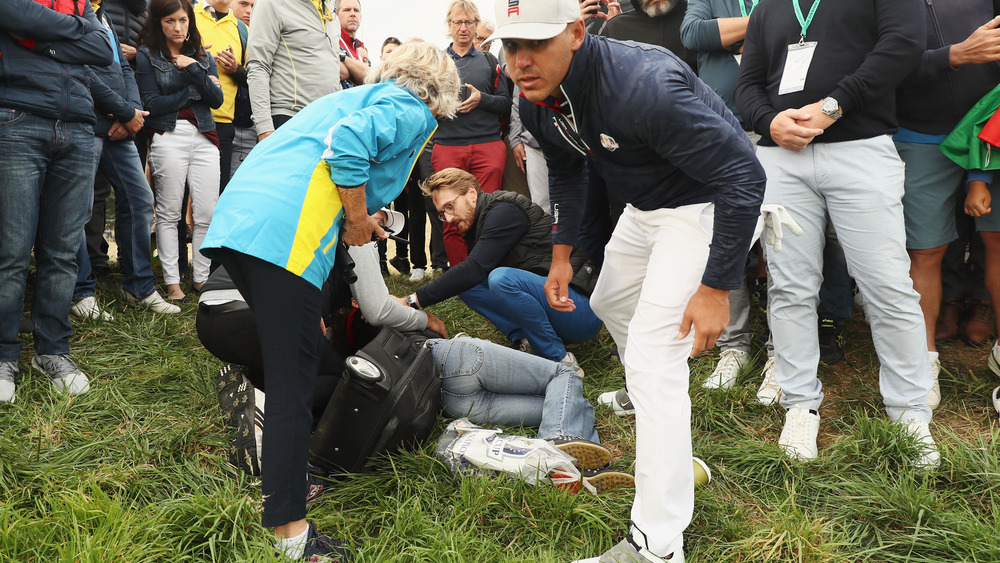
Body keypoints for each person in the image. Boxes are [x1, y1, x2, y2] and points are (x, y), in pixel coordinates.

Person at [483, 0, 766, 561]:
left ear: (576, 33)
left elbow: (744, 176)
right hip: (646, 207)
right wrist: (562, 253)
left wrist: (715, 288)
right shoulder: (535, 92)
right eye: (511, 47)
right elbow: (567, 168)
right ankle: (663, 426)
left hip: (708, 203)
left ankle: (657, 544)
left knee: (651, 357)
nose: (520, 61)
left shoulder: (644, 83)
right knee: (613, 304)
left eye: (534, 44)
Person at [199, 42, 460, 561]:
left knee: (288, 366)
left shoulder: (355, 96)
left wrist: (359, 222)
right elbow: (348, 147)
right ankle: (293, 538)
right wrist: (361, 220)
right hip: (286, 237)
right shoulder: (408, 108)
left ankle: (266, 448)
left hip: (241, 223)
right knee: (296, 387)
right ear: (438, 91)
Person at [734, 0, 939, 467]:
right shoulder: (770, 6)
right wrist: (767, 121)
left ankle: (910, 413)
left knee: (887, 285)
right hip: (782, 159)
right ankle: (800, 404)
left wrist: (833, 105)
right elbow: (747, 83)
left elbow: (902, 46)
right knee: (789, 286)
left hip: (861, 150)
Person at [0, 0, 113, 405]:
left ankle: (52, 352)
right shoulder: (78, 12)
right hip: (18, 116)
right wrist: (70, 32)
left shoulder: (82, 2)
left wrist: (38, 39)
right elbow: (13, 14)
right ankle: (3, 355)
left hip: (79, 126)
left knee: (63, 251)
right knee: (11, 250)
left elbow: (103, 50)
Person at [894, 2, 1000, 409]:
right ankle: (923, 362)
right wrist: (955, 55)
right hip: (920, 133)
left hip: (993, 128)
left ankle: (983, 310)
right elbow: (877, 67)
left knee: (996, 240)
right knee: (924, 248)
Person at [404, 168, 603, 375]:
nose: (448, 218)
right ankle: (528, 341)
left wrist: (413, 300)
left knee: (501, 279)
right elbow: (468, 276)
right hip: (554, 305)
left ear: (471, 194)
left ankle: (560, 361)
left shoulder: (504, 210)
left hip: (580, 310)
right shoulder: (478, 223)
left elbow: (474, 268)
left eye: (450, 206)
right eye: (442, 213)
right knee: (467, 285)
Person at [73, 0, 180, 321]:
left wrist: (133, 110)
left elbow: (122, 66)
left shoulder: (99, 13)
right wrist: (124, 111)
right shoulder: (71, 11)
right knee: (77, 208)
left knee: (139, 199)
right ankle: (80, 292)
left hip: (121, 127)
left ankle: (139, 287)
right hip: (88, 122)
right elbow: (81, 69)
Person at [135, 0, 225, 302]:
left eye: (183, 20)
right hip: (168, 134)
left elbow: (216, 99)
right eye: (170, 21)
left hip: (205, 136)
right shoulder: (148, 56)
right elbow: (151, 104)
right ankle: (172, 283)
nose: (178, 28)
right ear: (159, 22)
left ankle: (201, 280)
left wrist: (194, 69)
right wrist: (191, 90)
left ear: (191, 22)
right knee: (169, 213)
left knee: (206, 213)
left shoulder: (201, 56)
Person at [433, 0, 511, 266]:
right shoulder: (436, 63)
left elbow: (505, 103)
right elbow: (423, 104)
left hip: (487, 145)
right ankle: (460, 275)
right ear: (449, 25)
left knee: (488, 211)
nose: (463, 28)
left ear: (477, 26)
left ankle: (487, 270)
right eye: (458, 22)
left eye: (468, 22)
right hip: (447, 147)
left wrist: (482, 99)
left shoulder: (489, 60)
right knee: (451, 213)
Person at [245, 0, 346, 141]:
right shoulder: (271, 3)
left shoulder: (330, 8)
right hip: (289, 119)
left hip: (327, 123)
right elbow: (258, 65)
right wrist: (264, 127)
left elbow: (332, 71)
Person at [194, 0, 247, 191]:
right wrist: (195, 59)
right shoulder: (187, 16)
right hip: (187, 117)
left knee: (217, 195)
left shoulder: (241, 29)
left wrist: (236, 69)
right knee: (177, 201)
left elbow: (253, 77)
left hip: (223, 123)